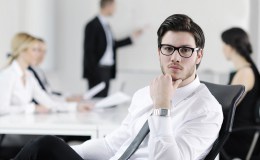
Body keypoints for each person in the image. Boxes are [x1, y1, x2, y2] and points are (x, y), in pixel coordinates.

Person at [13, 14, 223, 160]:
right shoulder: (144, 94)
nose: (175, 57)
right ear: (159, 52)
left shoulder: (206, 109)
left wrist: (161, 108)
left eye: (185, 50)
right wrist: (67, 153)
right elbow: (112, 145)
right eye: (168, 48)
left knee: (44, 147)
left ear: (199, 55)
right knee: (48, 147)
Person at [0, 32, 94, 159]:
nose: (39, 54)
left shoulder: (29, 76)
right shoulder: (8, 75)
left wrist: (75, 107)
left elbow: (48, 102)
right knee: (51, 143)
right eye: (35, 50)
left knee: (57, 142)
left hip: (26, 130)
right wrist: (32, 108)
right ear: (22, 51)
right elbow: (2, 109)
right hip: (11, 136)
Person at [83, 0, 143, 97]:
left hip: (107, 70)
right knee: (96, 101)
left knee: (104, 101)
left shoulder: (107, 25)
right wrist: (93, 72)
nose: (115, 10)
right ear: (108, 6)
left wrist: (132, 37)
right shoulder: (92, 25)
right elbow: (89, 51)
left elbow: (112, 45)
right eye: (114, 7)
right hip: (97, 71)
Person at [220, 28, 260, 159]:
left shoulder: (245, 73)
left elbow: (229, 106)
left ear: (230, 46)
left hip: (239, 135)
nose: (223, 49)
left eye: (224, 44)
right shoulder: (244, 71)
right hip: (237, 131)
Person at [28, 38, 83, 103]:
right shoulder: (28, 72)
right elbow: (43, 96)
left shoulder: (39, 70)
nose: (42, 55)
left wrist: (70, 96)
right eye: (38, 50)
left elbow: (49, 91)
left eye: (44, 51)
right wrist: (66, 100)